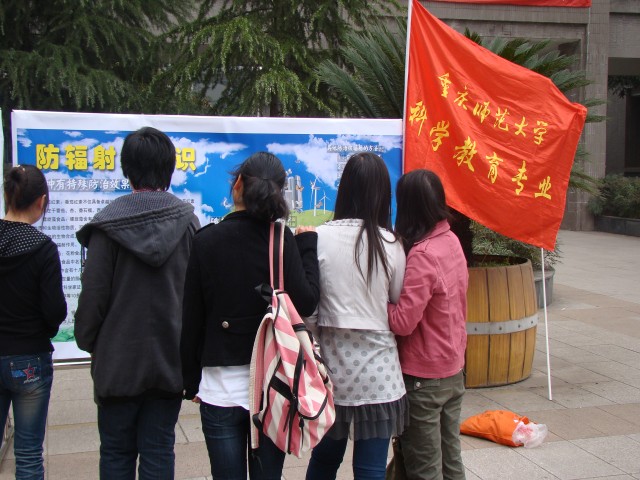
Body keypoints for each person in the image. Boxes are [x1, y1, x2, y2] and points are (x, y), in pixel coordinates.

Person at [180, 151, 320, 480]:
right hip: (274, 387)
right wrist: (307, 245)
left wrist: (190, 382)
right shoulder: (281, 240)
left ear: (238, 184)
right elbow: (307, 302)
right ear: (278, 191)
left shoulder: (206, 241)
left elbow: (192, 321)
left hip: (220, 389)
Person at [74, 127, 200, 480]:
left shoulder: (106, 226)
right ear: (169, 168)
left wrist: (90, 341)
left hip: (117, 364)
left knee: (116, 452)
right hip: (169, 361)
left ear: (126, 168)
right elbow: (195, 298)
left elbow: (93, 297)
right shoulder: (188, 223)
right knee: (159, 449)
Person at [305, 152, 408, 480]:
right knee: (371, 469)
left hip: (331, 372)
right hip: (380, 376)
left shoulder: (319, 237)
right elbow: (397, 301)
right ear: (382, 194)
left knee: (323, 461)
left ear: (344, 189)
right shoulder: (391, 243)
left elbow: (309, 308)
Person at [387, 169, 469, 480]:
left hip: (423, 380)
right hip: (453, 370)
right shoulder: (451, 240)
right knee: (451, 460)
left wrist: (373, 300)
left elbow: (403, 322)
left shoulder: (423, 254)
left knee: (425, 469)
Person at [0, 165, 67, 480]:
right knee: (28, 455)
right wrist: (44, 331)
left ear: (7, 196)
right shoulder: (43, 248)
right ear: (42, 201)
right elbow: (54, 311)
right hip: (30, 358)